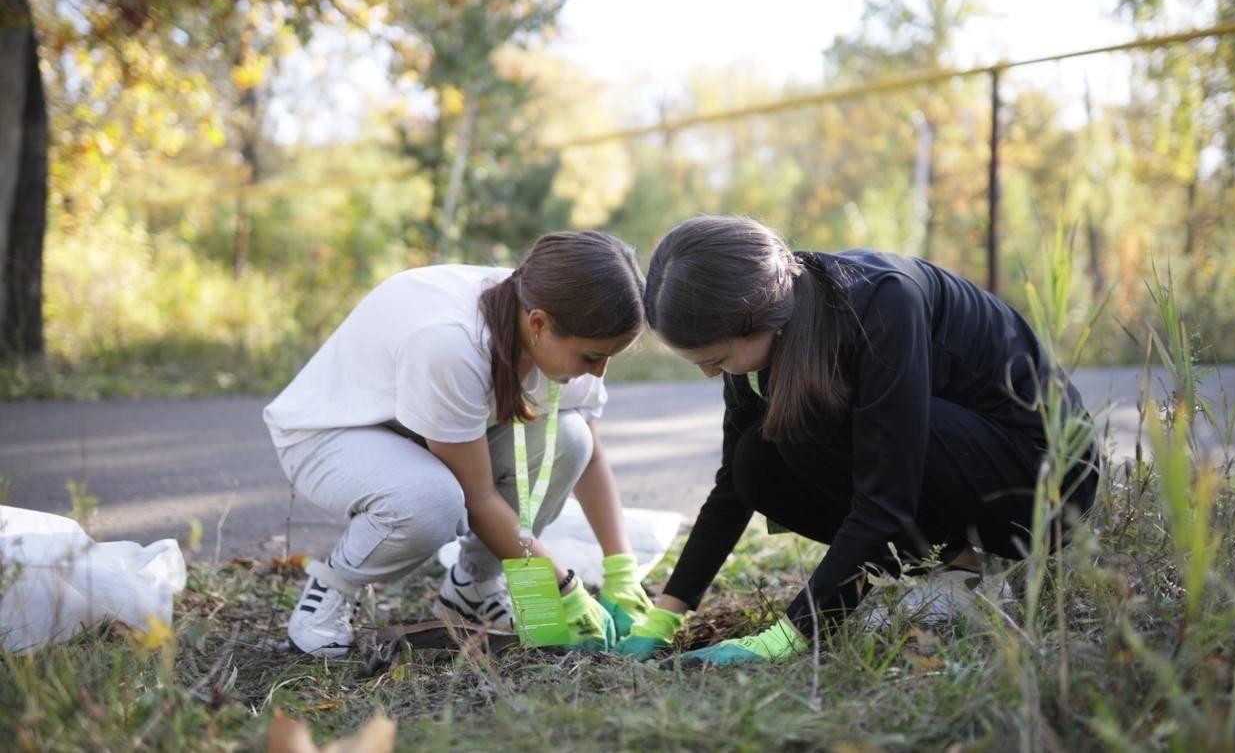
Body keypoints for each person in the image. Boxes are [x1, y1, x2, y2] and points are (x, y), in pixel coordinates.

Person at [615, 216, 1099, 666]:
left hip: (1043, 484)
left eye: (716, 359)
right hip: (951, 465)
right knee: (754, 462)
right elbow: (731, 490)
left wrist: (791, 634)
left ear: (756, 316)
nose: (707, 374)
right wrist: (666, 615)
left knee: (814, 420)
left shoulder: (883, 301)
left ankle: (970, 567)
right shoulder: (771, 329)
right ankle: (961, 568)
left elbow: (885, 495)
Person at [262, 231, 654, 657]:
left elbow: (590, 458)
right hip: (333, 435)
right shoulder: (451, 341)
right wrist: (560, 588)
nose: (599, 372)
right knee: (430, 500)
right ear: (539, 324)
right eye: (592, 357)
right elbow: (477, 497)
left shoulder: (555, 325)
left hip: (425, 438)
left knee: (570, 439)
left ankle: (473, 587)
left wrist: (622, 569)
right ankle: (330, 592)